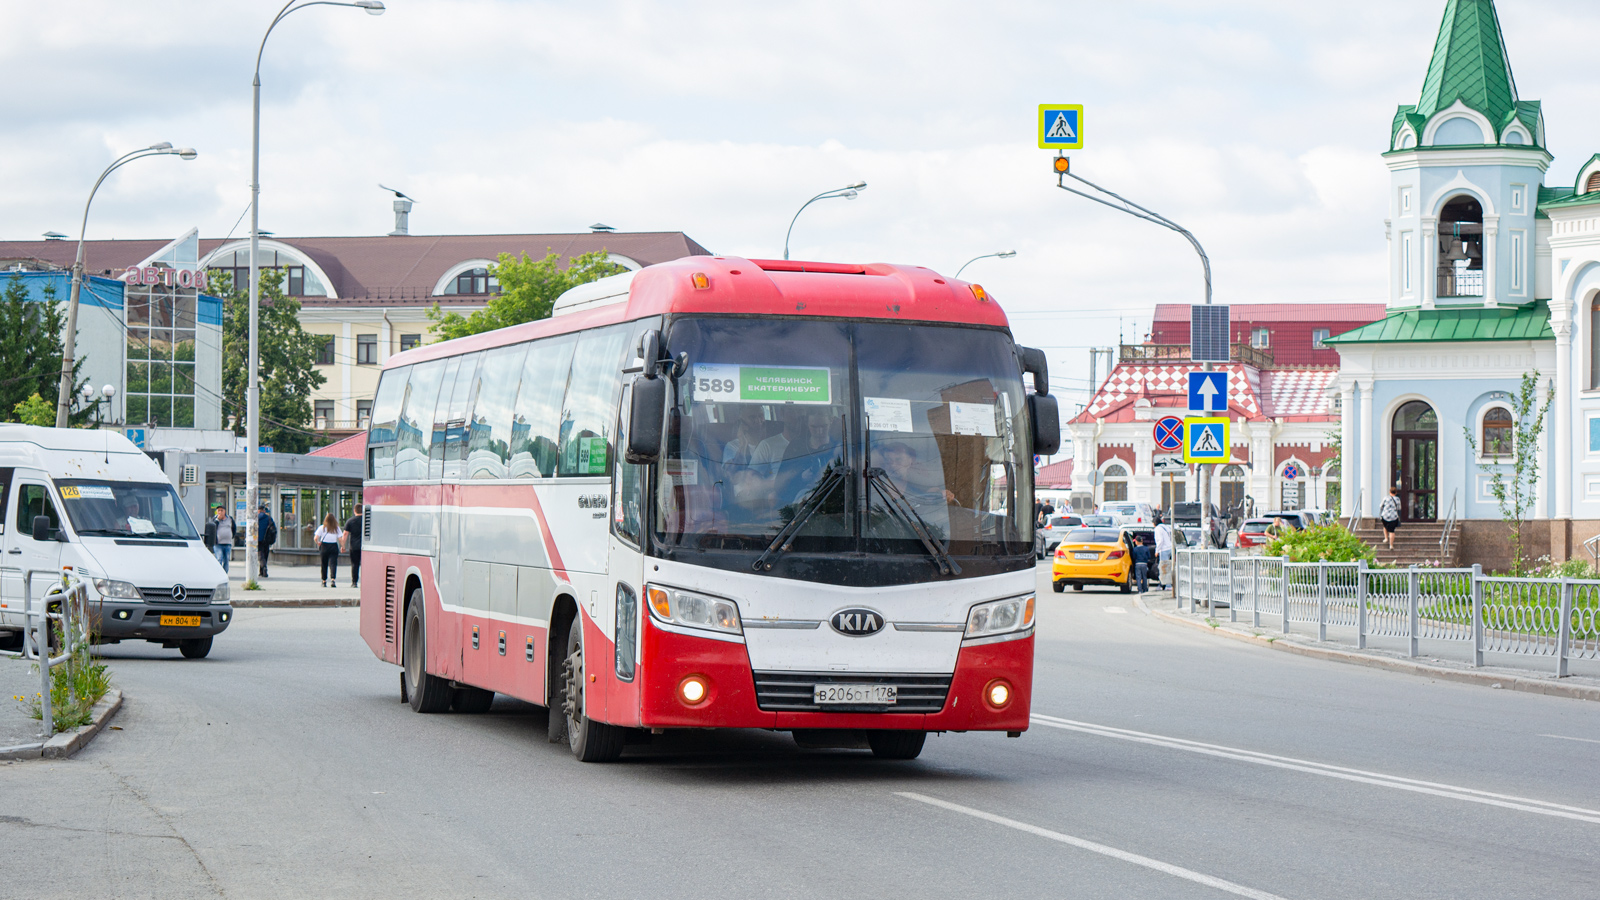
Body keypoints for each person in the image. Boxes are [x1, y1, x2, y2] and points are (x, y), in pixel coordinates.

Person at [314, 513, 344, 588]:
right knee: (333, 564)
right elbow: (340, 539)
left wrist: (318, 543)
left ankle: (324, 581)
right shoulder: (336, 528)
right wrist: (343, 547)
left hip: (324, 546)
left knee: (324, 564)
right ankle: (333, 580)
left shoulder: (322, 527)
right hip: (333, 546)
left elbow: (315, 538)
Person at [203, 506, 235, 574]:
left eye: (221, 510)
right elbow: (213, 528)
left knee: (226, 560)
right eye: (218, 511)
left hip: (227, 543)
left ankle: (225, 573)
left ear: (225, 511)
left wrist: (231, 536)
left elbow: (234, 528)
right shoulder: (215, 519)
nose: (220, 512)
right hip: (218, 543)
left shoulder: (230, 519)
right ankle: (219, 573)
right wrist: (217, 520)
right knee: (219, 558)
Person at [342, 504, 363, 589]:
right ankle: (366, 582)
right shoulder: (367, 521)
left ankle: (354, 582)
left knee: (355, 564)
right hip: (365, 547)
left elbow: (345, 534)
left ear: (354, 511)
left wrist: (343, 546)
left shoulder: (350, 521)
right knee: (366, 565)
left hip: (354, 547)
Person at [1153, 516, 1174, 589]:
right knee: (1169, 567)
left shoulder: (1157, 529)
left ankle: (1167, 585)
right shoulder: (1166, 527)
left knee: (1164, 568)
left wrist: (1157, 550)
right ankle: (1165, 584)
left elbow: (1160, 540)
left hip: (1164, 549)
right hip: (1170, 548)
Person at [256, 504, 277, 579]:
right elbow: (273, 529)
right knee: (265, 554)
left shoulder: (255, 518)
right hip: (267, 540)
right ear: (264, 510)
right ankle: (262, 571)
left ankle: (263, 569)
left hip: (258, 540)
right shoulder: (268, 518)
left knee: (260, 555)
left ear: (258, 511)